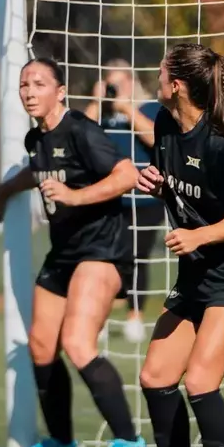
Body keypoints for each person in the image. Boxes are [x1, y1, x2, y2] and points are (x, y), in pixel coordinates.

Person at [0, 58, 145, 447]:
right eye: (24, 84)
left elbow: (127, 175)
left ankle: (129, 440)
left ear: (60, 91)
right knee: (41, 347)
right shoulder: (35, 139)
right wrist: (6, 188)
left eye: (39, 84)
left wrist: (75, 197)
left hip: (102, 251)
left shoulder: (81, 129)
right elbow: (39, 171)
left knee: (77, 344)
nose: (29, 91)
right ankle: (62, 440)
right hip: (64, 253)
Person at [125, 42, 224, 447]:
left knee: (199, 380)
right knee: (156, 376)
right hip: (193, 275)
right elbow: (176, 186)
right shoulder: (162, 121)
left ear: (177, 83)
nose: (154, 78)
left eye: (160, 72)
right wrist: (156, 182)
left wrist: (200, 233)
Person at [84, 58, 164, 344]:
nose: (115, 88)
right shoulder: (101, 115)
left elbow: (156, 139)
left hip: (145, 200)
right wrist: (96, 101)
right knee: (105, 258)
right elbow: (79, 135)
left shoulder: (150, 109)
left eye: (120, 82)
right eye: (110, 82)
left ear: (133, 82)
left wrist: (126, 108)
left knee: (136, 257)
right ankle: (100, 315)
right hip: (109, 199)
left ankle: (135, 316)